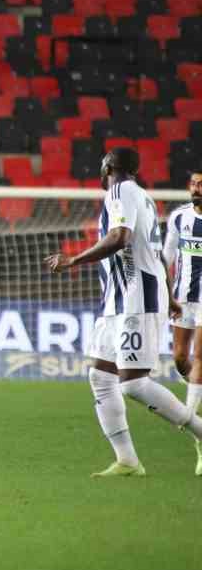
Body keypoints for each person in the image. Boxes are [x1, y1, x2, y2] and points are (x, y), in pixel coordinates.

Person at [46, 147, 202, 477]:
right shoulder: (143, 197)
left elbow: (120, 237)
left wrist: (73, 260)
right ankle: (127, 460)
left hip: (135, 297)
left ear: (108, 167)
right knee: (101, 376)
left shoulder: (120, 192)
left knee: (133, 384)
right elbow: (154, 251)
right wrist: (169, 296)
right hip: (119, 301)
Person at [164, 170, 202, 420]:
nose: (196, 188)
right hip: (183, 296)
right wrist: (164, 292)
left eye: (201, 185)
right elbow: (166, 257)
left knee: (199, 357)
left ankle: (190, 418)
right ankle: (196, 387)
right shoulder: (179, 217)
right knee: (179, 357)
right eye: (193, 184)